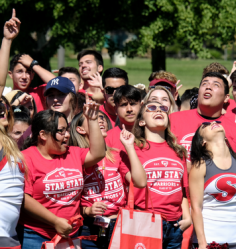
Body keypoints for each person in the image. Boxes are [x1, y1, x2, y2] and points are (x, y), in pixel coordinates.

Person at [17, 100, 106, 249]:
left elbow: (98, 153)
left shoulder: (73, 152)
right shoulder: (25, 158)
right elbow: (25, 198)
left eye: (67, 130)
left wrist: (92, 120)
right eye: (61, 131)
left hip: (72, 232)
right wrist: (55, 221)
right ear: (43, 135)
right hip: (35, 235)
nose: (67, 135)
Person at [69, 110, 146, 249]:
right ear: (80, 129)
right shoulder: (76, 159)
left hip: (119, 224)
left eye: (102, 117)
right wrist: (87, 211)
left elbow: (140, 182)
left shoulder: (115, 154)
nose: (100, 120)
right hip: (89, 227)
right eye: (92, 118)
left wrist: (129, 146)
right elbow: (69, 201)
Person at [121, 101, 191, 249]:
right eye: (151, 108)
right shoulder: (133, 149)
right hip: (145, 222)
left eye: (163, 108)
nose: (158, 110)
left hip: (175, 225)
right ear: (141, 121)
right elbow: (139, 182)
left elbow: (182, 190)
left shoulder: (179, 151)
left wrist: (188, 217)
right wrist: (129, 147)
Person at [189, 121, 236, 249]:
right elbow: (196, 208)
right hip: (210, 240)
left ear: (226, 136)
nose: (214, 123)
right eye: (205, 125)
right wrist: (202, 243)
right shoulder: (200, 165)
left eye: (217, 122)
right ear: (202, 141)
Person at [169, 72, 236, 172]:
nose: (208, 87)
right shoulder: (173, 120)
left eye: (216, 85)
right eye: (204, 84)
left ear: (226, 98)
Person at [0, 9, 27, 249]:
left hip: (9, 238)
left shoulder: (11, 144)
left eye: (3, 108)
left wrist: (9, 39)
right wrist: (6, 42)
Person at [105, 85, 141, 153]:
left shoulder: (151, 134)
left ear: (141, 106)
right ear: (115, 109)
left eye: (133, 104)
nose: (129, 109)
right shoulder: (108, 138)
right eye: (123, 105)